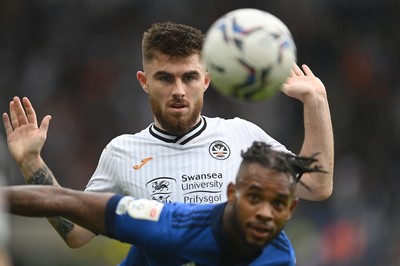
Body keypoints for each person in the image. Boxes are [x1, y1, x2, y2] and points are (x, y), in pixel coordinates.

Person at [2, 22, 334, 264]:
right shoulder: (122, 152)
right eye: (165, 77)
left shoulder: (241, 134)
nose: (179, 90)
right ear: (144, 82)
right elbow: (75, 234)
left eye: (189, 77)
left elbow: (316, 185)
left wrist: (316, 102)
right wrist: (32, 163)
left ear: (205, 80)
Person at [2, 142, 325, 266]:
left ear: (290, 210)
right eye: (254, 198)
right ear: (231, 194)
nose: (265, 213)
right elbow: (64, 201)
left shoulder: (280, 259)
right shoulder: (169, 224)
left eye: (278, 204)